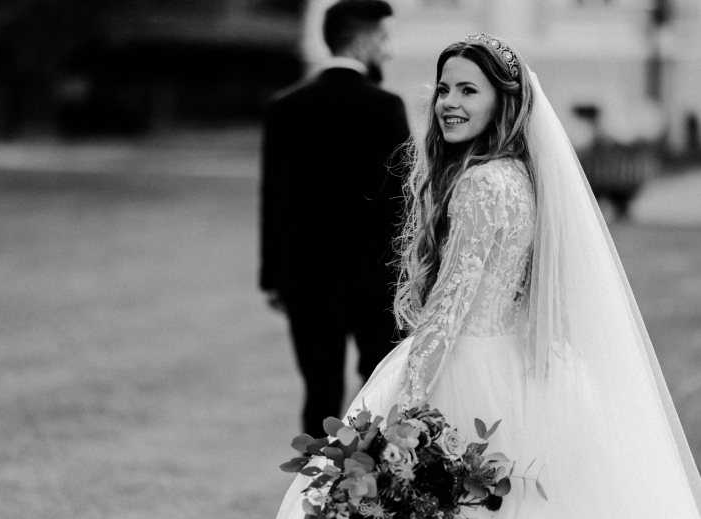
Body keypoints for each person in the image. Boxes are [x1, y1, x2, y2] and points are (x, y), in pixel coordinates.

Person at [277, 34, 701, 518]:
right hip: (519, 365)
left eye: (468, 90)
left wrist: (404, 419)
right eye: (444, 89)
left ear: (502, 101)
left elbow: (448, 308)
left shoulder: (480, 183)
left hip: (466, 368)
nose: (449, 103)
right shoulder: (519, 175)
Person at [260, 0, 411, 439]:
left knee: (320, 395)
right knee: (377, 396)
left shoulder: (286, 107)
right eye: (383, 38)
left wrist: (273, 277)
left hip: (306, 279)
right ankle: (370, 479)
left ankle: (314, 481)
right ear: (362, 42)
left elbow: (275, 196)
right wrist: (408, 275)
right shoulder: (385, 107)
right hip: (376, 280)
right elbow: (402, 201)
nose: (388, 50)